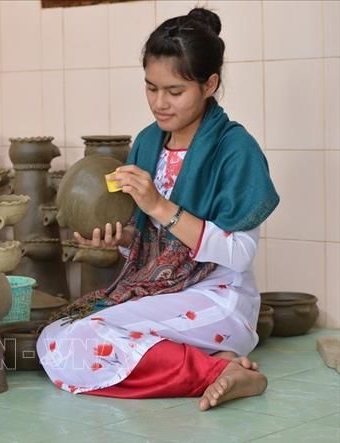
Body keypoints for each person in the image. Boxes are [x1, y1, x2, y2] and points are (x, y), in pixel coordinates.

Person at [36, 8, 279, 411]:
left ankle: (218, 371)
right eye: (151, 88)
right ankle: (217, 365)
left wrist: (159, 206)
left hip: (218, 300)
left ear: (209, 84)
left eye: (174, 91)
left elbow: (238, 254)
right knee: (55, 337)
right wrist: (123, 238)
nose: (159, 104)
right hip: (162, 294)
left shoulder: (236, 150)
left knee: (86, 338)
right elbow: (153, 248)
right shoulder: (149, 143)